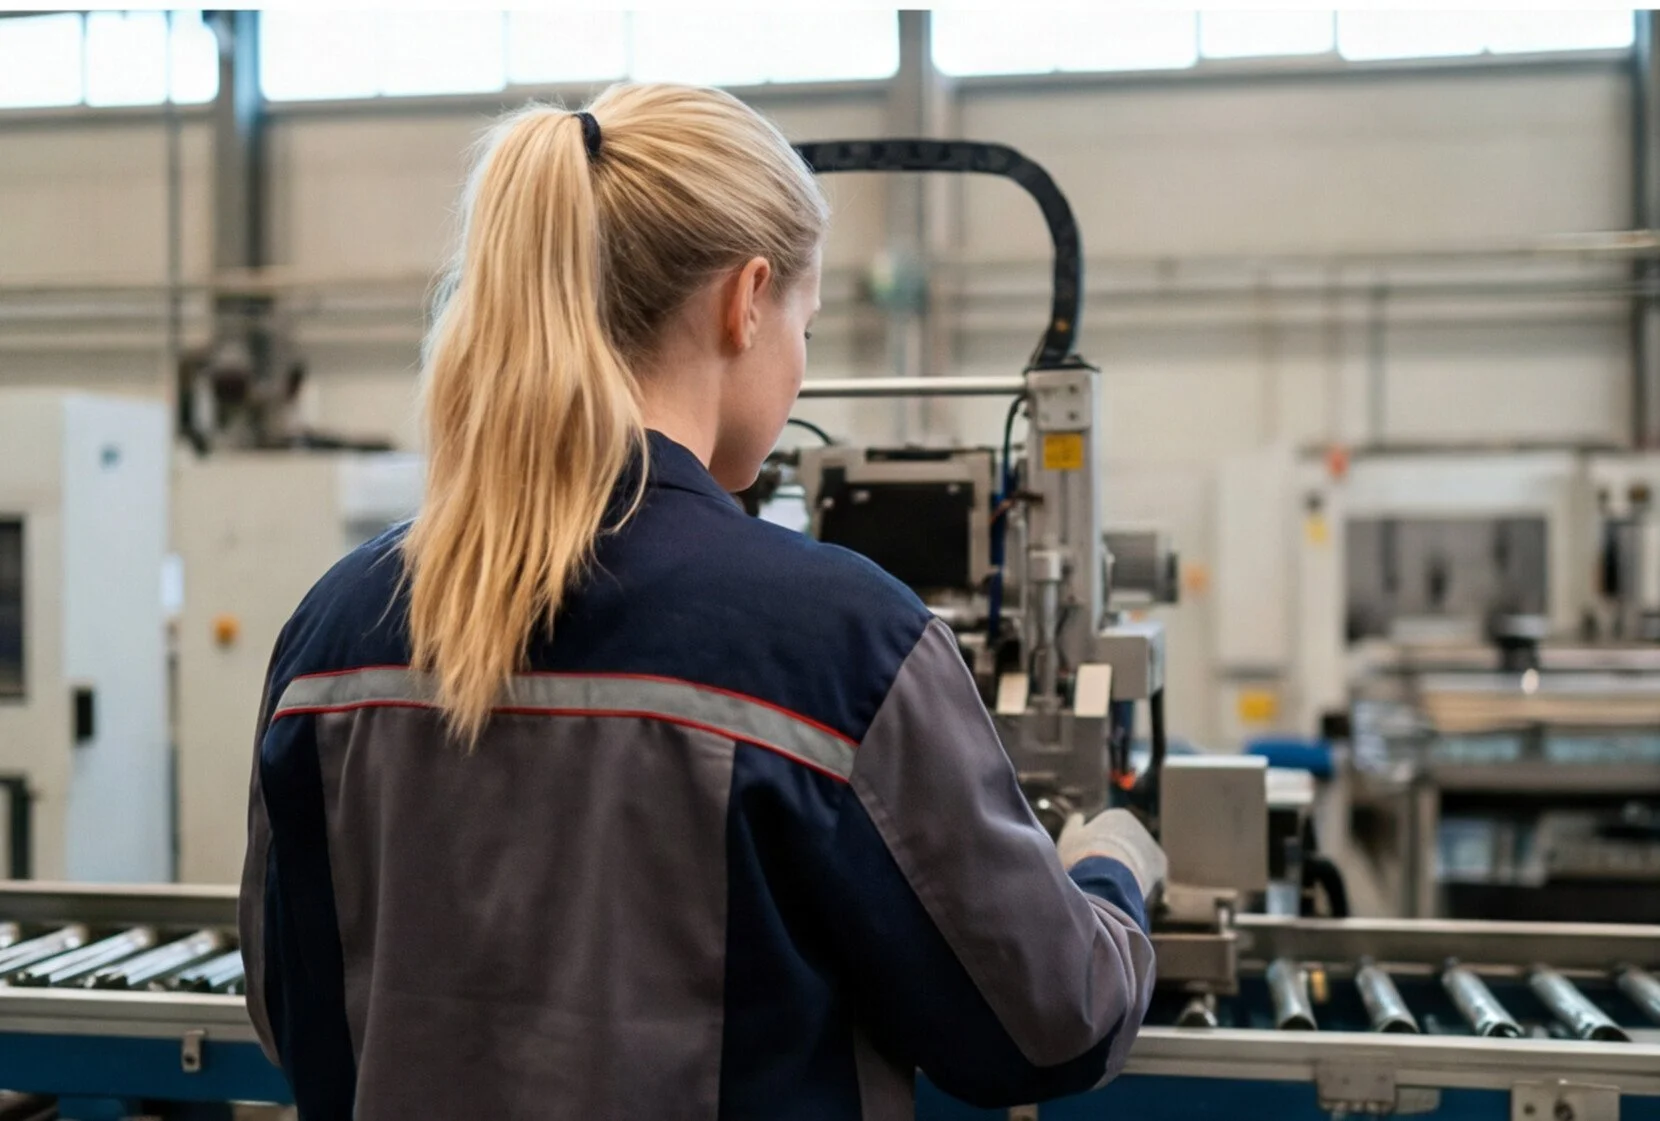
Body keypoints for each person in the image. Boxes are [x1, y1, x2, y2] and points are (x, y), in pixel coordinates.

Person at [239, 82, 1166, 1121]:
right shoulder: (840, 641)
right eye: (803, 327)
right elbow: (1047, 1021)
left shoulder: (330, 632)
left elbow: (293, 1011)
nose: (800, 370)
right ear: (746, 299)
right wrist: (1110, 868)